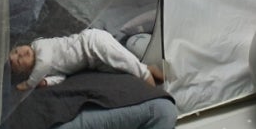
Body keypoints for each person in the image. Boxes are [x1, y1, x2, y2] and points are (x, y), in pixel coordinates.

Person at [9, 28, 164, 91]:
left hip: (92, 43)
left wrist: (29, 84)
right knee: (122, 70)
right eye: (18, 61)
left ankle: (154, 92)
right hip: (92, 62)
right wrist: (46, 82)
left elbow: (44, 63)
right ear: (26, 70)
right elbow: (61, 77)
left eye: (16, 51)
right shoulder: (42, 71)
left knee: (132, 67)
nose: (20, 54)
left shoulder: (38, 46)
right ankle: (151, 70)